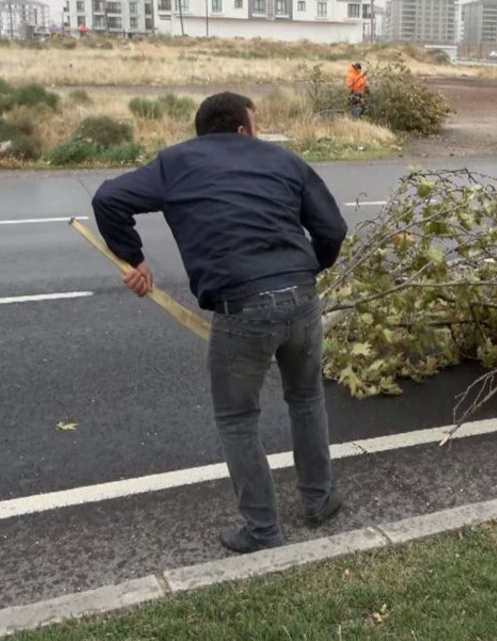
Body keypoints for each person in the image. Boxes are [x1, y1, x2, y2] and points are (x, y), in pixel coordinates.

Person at [91, 92, 349, 554]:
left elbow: (109, 198)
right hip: (302, 299)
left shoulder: (176, 163)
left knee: (237, 418)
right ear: (243, 129)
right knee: (307, 398)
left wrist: (133, 257)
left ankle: (262, 529)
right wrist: (306, 272)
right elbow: (333, 229)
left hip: (241, 308)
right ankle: (320, 499)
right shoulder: (283, 159)